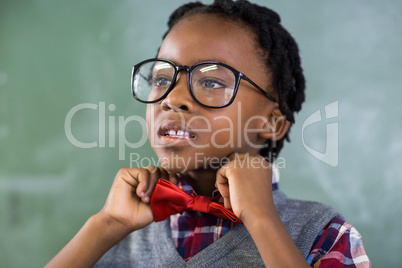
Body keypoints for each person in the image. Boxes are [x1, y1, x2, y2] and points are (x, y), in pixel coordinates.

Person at [46, 0, 371, 267]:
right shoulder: (114, 240)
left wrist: (262, 220)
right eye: (161, 78)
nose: (173, 98)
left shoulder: (324, 234)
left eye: (212, 82)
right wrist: (106, 226)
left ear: (271, 122)